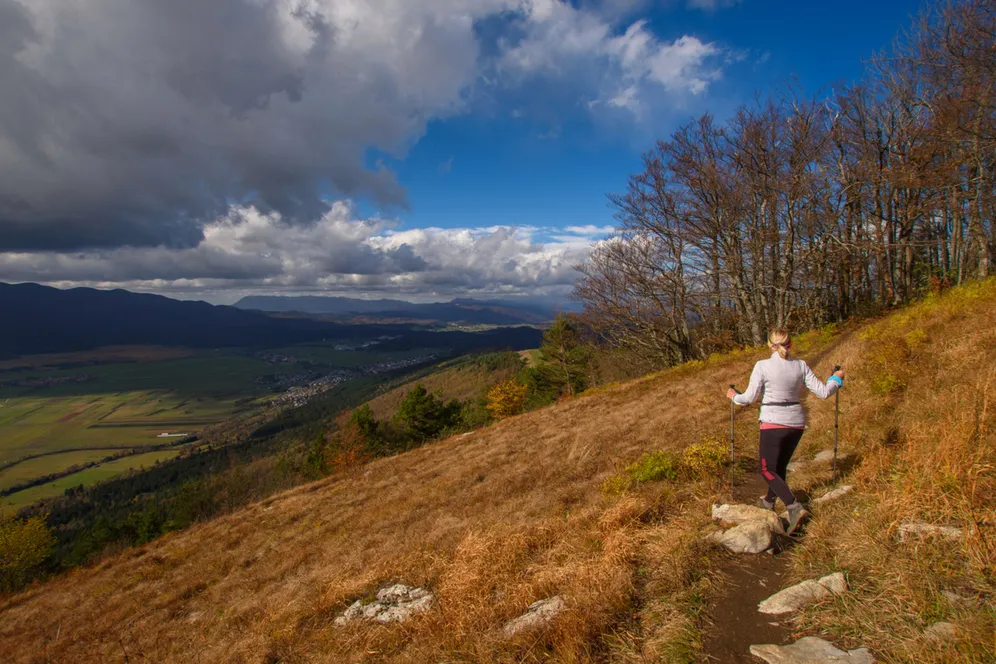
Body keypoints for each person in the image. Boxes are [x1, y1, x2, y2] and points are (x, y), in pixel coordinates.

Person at [726, 328, 844, 534]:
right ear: (790, 344)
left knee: (766, 469)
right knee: (779, 467)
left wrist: (733, 396)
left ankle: (793, 506)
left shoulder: (762, 366)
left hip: (773, 421)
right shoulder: (800, 365)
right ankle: (769, 501)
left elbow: (748, 399)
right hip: (796, 423)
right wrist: (836, 378)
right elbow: (824, 392)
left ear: (769, 344)